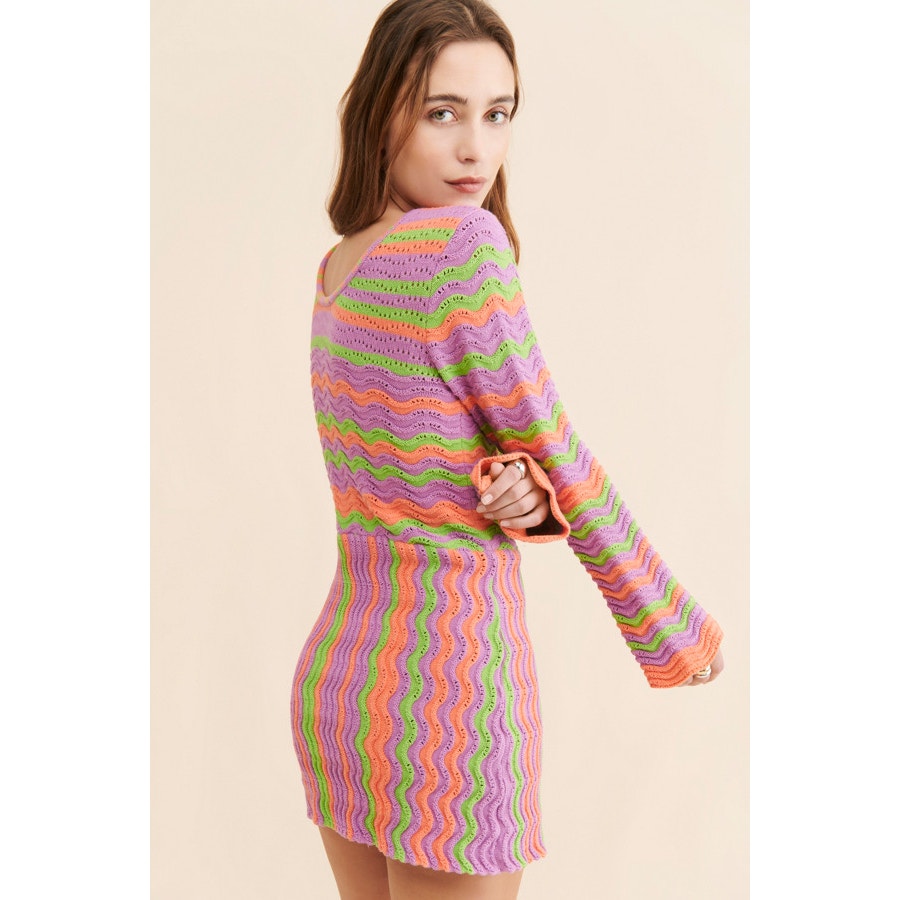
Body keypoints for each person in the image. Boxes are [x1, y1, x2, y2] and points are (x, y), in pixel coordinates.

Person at [291, 2, 725, 898]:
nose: (475, 149)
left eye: (498, 114)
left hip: (344, 679)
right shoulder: (461, 245)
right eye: (441, 112)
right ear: (381, 112)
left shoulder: (338, 269)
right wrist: (668, 624)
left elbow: (419, 452)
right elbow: (551, 442)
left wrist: (514, 491)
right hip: (448, 687)